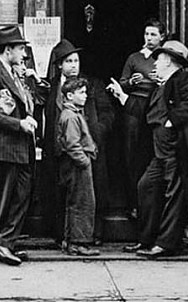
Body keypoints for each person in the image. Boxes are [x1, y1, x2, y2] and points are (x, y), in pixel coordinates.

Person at [108, 40, 188, 257]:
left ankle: (167, 244)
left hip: (178, 151)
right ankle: (146, 239)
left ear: (169, 61)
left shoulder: (186, 79)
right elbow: (146, 112)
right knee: (146, 187)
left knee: (174, 196)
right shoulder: (161, 85)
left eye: (158, 59)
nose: (154, 64)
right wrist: (123, 98)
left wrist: (172, 120)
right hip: (159, 153)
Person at [42, 39, 114, 246]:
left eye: (76, 60)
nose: (74, 65)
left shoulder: (93, 85)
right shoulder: (52, 86)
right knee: (63, 193)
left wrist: (95, 133)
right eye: (69, 61)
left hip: (87, 149)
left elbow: (108, 114)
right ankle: (64, 236)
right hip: (61, 151)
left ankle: (93, 235)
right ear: (59, 65)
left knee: (91, 192)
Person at [0, 25, 39, 266]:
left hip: (19, 148)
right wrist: (19, 124)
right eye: (20, 48)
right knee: (5, 199)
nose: (24, 54)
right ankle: (0, 243)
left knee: (21, 196)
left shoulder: (13, 73)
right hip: (5, 148)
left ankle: (4, 243)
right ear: (8, 49)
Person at [118, 18, 166, 219]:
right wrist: (131, 81)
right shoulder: (135, 58)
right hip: (134, 107)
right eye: (147, 34)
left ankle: (152, 207)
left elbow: (172, 81)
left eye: (153, 34)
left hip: (155, 107)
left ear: (162, 37)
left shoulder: (164, 58)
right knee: (131, 154)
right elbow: (122, 83)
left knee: (151, 153)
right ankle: (133, 204)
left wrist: (159, 80)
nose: (149, 38)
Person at [56, 77, 100, 257]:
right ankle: (78, 243)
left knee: (77, 201)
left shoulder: (73, 114)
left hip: (75, 164)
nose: (85, 96)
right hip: (77, 165)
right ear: (69, 95)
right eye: (81, 93)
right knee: (82, 202)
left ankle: (71, 241)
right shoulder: (71, 117)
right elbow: (72, 145)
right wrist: (85, 161)